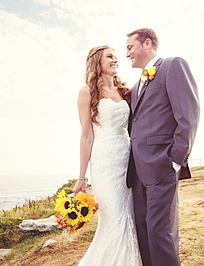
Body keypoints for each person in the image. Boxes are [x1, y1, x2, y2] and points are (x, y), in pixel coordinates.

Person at [126, 28, 200, 266]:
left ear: (147, 43)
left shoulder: (173, 66)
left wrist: (175, 160)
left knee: (161, 234)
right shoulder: (136, 87)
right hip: (137, 172)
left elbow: (188, 115)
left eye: (130, 47)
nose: (127, 54)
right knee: (144, 232)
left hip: (162, 166)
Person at [73, 45, 142, 266]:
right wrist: (81, 177)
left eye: (115, 56)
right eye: (109, 57)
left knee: (129, 213)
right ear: (97, 62)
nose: (115, 59)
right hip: (104, 159)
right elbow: (86, 136)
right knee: (112, 216)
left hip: (127, 156)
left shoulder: (126, 91)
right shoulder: (87, 92)